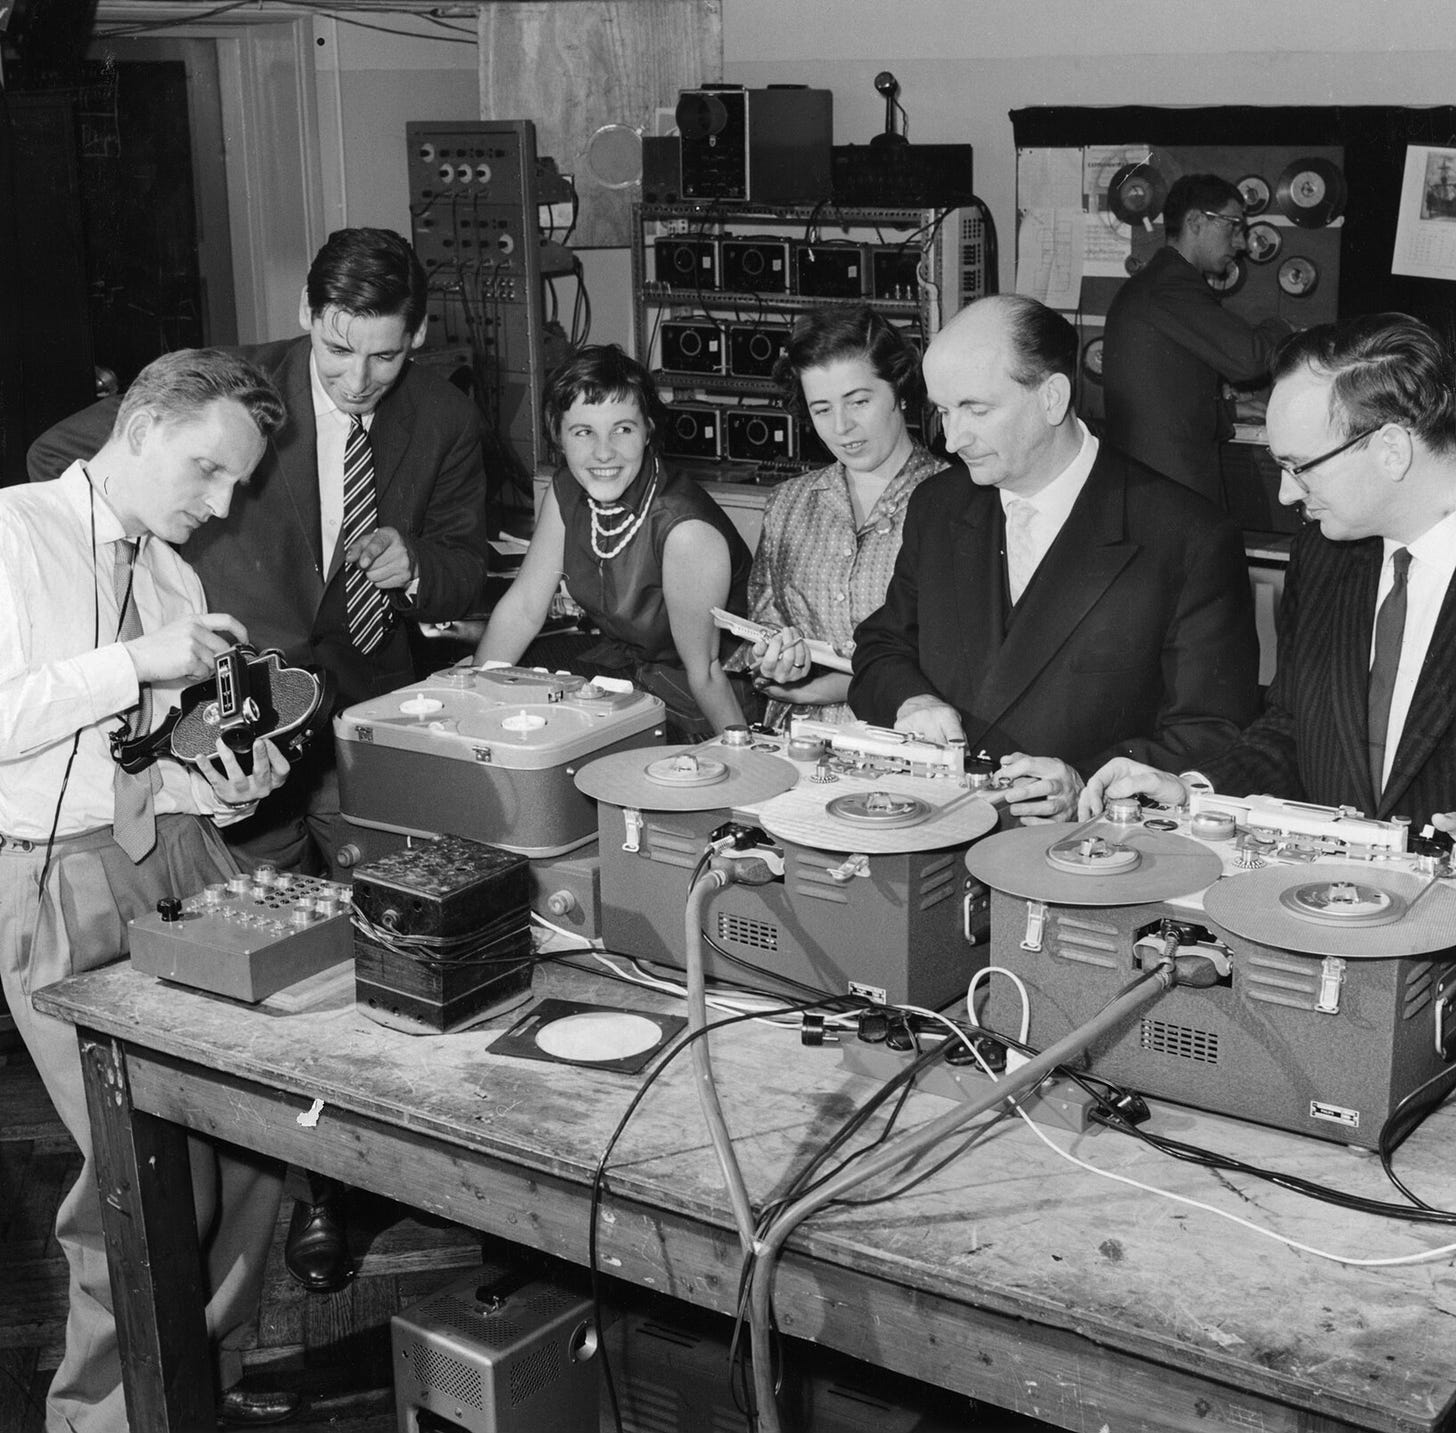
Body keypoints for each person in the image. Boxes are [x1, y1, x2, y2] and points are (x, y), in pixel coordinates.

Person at [29, 227, 492, 1292]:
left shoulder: (445, 414)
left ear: (414, 337)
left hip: (367, 711)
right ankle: (307, 1199)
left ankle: (357, 1172)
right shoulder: (232, 392)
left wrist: (419, 566)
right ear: (306, 314)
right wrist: (151, 580)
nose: (357, 377)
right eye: (337, 351)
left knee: (382, 945)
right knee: (266, 979)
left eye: (382, 355)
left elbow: (464, 567)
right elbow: (69, 462)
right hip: (236, 711)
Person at [0, 350, 299, 1430]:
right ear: (141, 427)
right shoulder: (13, 532)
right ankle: (100, 1416)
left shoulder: (173, 578)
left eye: (235, 486)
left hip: (179, 855)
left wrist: (228, 787)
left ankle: (187, 1383)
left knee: (259, 1138)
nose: (219, 505)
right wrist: (137, 661)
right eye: (206, 470)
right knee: (140, 1166)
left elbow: (153, 764)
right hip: (56, 871)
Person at [848, 294, 1261, 822]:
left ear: (1052, 398)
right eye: (943, 412)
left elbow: (1213, 731)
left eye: (976, 408)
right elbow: (883, 647)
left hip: (1084, 855)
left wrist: (1086, 781)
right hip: (933, 828)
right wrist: (913, 702)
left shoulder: (1185, 534)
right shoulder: (939, 505)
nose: (953, 439)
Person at [1082, 312, 1456, 837]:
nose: (1286, 493)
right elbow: (1292, 731)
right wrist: (1192, 791)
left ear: (1391, 450)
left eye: (1299, 466)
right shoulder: (1326, 555)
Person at [472, 344, 755, 740]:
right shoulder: (567, 490)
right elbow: (523, 609)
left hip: (694, 702)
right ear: (558, 434)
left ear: (647, 431)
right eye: (583, 432)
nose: (603, 453)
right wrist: (471, 696)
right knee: (498, 691)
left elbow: (705, 673)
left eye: (622, 429)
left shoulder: (684, 530)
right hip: (625, 676)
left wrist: (744, 763)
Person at [722, 306, 939, 727]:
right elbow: (762, 637)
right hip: (799, 743)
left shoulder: (956, 501)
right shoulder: (789, 503)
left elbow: (952, 662)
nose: (842, 427)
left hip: (908, 739)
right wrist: (773, 665)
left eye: (859, 401)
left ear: (898, 389)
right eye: (822, 409)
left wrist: (817, 687)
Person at [1101, 172, 1291, 504]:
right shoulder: (1172, 286)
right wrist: (1283, 326)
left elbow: (1163, 391)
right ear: (1195, 222)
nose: (1241, 242)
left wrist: (1228, 410)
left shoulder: (1158, 283)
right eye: (1232, 225)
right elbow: (1250, 358)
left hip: (1151, 485)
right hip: (1168, 490)